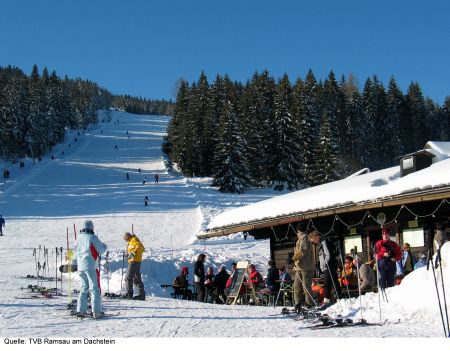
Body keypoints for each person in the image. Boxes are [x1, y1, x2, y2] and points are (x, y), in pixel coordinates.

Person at [74, 220, 107, 318]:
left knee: (84, 288)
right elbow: (101, 250)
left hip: (80, 266)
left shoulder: (78, 238)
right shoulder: (92, 237)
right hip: (91, 265)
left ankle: (80, 310)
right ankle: (96, 312)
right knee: (94, 289)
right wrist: (105, 246)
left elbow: (75, 251)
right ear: (91, 228)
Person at [312, 232, 341, 307]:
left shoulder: (324, 242)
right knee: (335, 281)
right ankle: (339, 296)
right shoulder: (322, 243)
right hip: (329, 265)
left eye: (313, 240)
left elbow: (328, 254)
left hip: (329, 266)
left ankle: (326, 301)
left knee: (327, 283)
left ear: (316, 237)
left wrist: (324, 264)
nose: (313, 242)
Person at [292, 222, 316, 310]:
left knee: (306, 286)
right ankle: (298, 303)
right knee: (297, 285)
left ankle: (309, 303)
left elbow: (302, 251)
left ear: (298, 230)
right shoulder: (300, 238)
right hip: (299, 266)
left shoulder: (305, 237)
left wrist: (293, 258)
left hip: (306, 266)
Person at [123, 232, 146, 300]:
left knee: (128, 277)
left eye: (126, 240)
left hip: (134, 261)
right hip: (136, 261)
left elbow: (140, 248)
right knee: (137, 278)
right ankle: (141, 294)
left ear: (127, 238)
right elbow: (133, 249)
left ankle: (129, 294)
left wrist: (132, 254)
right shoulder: (132, 241)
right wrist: (128, 255)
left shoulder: (134, 240)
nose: (126, 241)